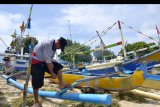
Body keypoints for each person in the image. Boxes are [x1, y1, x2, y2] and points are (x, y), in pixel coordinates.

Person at [31, 37, 68, 107]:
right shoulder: (48, 44)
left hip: (44, 61)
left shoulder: (54, 47)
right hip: (35, 63)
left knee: (59, 67)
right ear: (58, 42)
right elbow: (48, 63)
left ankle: (61, 85)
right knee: (36, 83)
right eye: (60, 47)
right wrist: (52, 73)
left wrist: (55, 65)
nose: (59, 49)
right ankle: (36, 101)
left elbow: (50, 59)